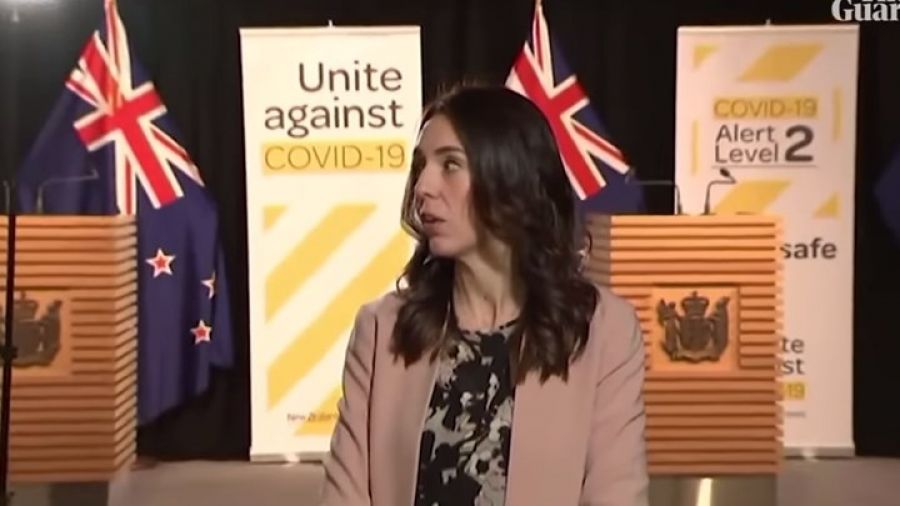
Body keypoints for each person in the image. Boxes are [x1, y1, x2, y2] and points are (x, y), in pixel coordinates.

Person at [318, 84, 648, 506]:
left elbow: (615, 493)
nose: (423, 187)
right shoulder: (382, 329)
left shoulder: (604, 332)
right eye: (420, 167)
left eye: (450, 165)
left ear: (510, 178)